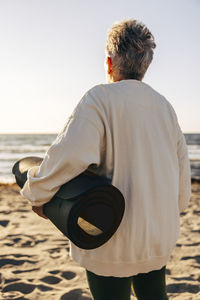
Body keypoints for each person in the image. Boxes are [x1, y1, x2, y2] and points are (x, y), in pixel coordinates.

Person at [21, 19, 191, 300]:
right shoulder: (165, 107)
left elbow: (67, 156)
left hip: (111, 236)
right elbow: (182, 182)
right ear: (145, 65)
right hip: (157, 235)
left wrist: (37, 192)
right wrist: (171, 210)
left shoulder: (99, 98)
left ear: (110, 62)